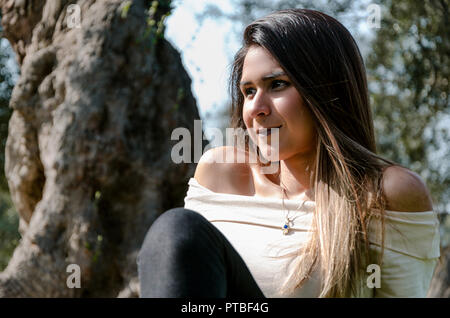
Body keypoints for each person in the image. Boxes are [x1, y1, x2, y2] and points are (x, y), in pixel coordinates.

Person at [137, 8, 440, 298]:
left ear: (324, 91)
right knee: (175, 232)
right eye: (249, 92)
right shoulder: (222, 174)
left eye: (277, 85)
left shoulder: (386, 193)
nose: (256, 109)